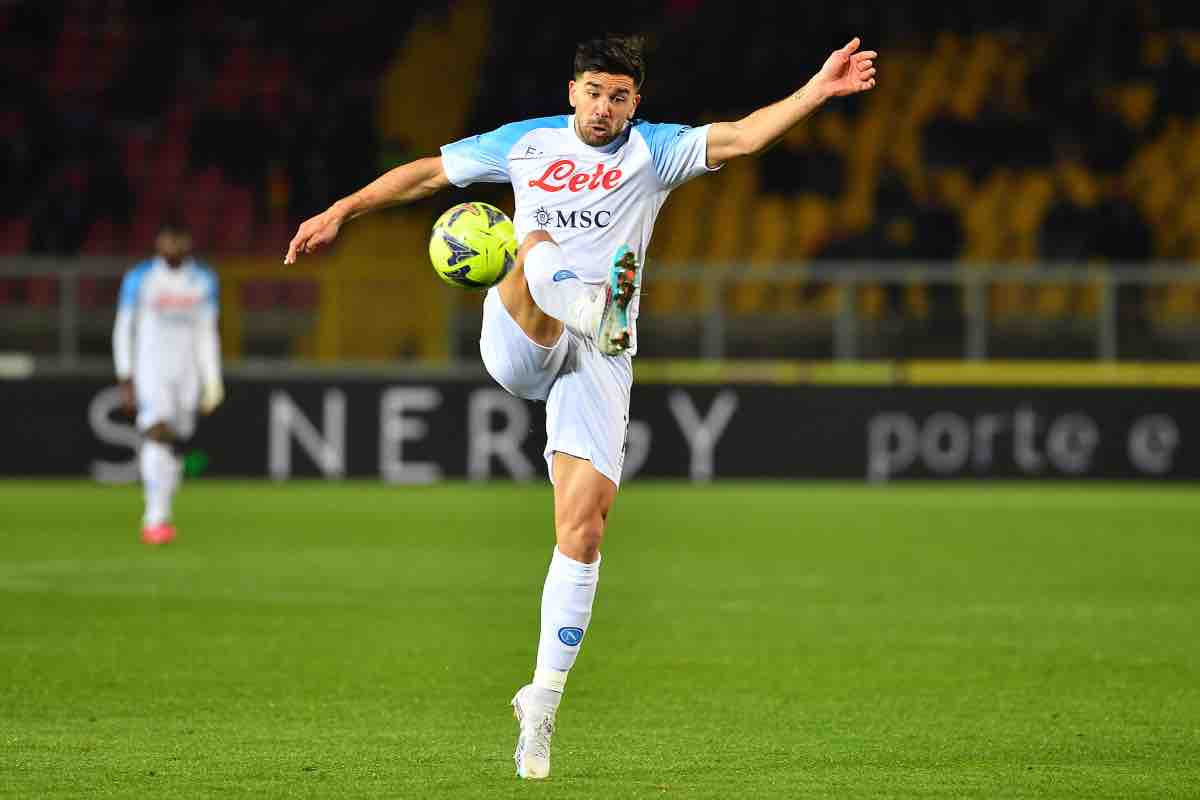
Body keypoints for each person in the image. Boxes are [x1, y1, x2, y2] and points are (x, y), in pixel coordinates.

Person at [285, 33, 876, 779]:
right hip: (526, 330)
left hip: (600, 350)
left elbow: (746, 135)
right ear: (573, 92)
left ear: (637, 103)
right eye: (594, 93)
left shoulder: (653, 152)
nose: (604, 108)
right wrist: (344, 208)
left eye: (619, 97)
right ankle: (589, 302)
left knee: (585, 526)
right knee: (523, 236)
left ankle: (541, 706)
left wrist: (817, 90)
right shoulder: (525, 144)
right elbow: (429, 176)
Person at [112, 218, 224, 545]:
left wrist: (213, 380)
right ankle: (155, 518)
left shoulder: (203, 280)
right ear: (158, 242)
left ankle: (163, 508)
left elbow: (207, 334)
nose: (172, 246)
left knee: (175, 441)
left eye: (178, 240)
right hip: (152, 369)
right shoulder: (140, 279)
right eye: (167, 240)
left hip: (187, 372)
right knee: (157, 433)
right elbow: (124, 328)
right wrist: (125, 374)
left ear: (188, 242)